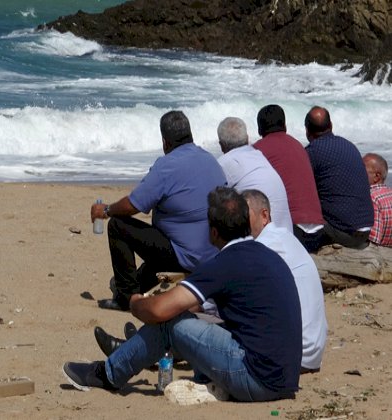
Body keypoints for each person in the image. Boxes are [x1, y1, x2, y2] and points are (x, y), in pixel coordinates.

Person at [66, 187, 302, 402]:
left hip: (257, 380)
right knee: (189, 321)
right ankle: (131, 355)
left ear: (214, 231)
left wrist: (135, 302)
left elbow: (160, 311)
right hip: (285, 379)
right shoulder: (268, 256)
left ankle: (108, 374)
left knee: (170, 324)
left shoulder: (225, 263)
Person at [91, 110, 226, 311]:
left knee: (117, 225)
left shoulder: (167, 166)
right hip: (213, 254)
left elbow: (133, 205)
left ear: (165, 142)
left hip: (183, 256)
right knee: (143, 276)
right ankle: (134, 286)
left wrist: (107, 210)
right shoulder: (211, 161)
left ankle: (125, 299)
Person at [242, 189, 327, 372]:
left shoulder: (266, 246)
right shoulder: (285, 237)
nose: (239, 222)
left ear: (264, 215)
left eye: (244, 215)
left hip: (294, 354)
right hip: (311, 351)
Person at [253, 104, 325, 252]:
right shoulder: (298, 145)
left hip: (293, 232)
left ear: (259, 129)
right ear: (285, 125)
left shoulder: (258, 150)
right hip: (318, 231)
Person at [305, 106, 373, 250]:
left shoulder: (312, 152)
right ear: (330, 125)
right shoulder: (349, 146)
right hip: (365, 229)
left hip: (344, 232)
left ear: (307, 130)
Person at [216, 117, 292, 232]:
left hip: (264, 243)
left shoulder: (224, 163)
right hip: (287, 236)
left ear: (221, 145)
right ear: (247, 139)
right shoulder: (259, 156)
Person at [363, 153, 392, 247]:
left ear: (376, 176)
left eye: (362, 169)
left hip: (379, 255)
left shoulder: (371, 198)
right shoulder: (389, 193)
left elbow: (373, 240)